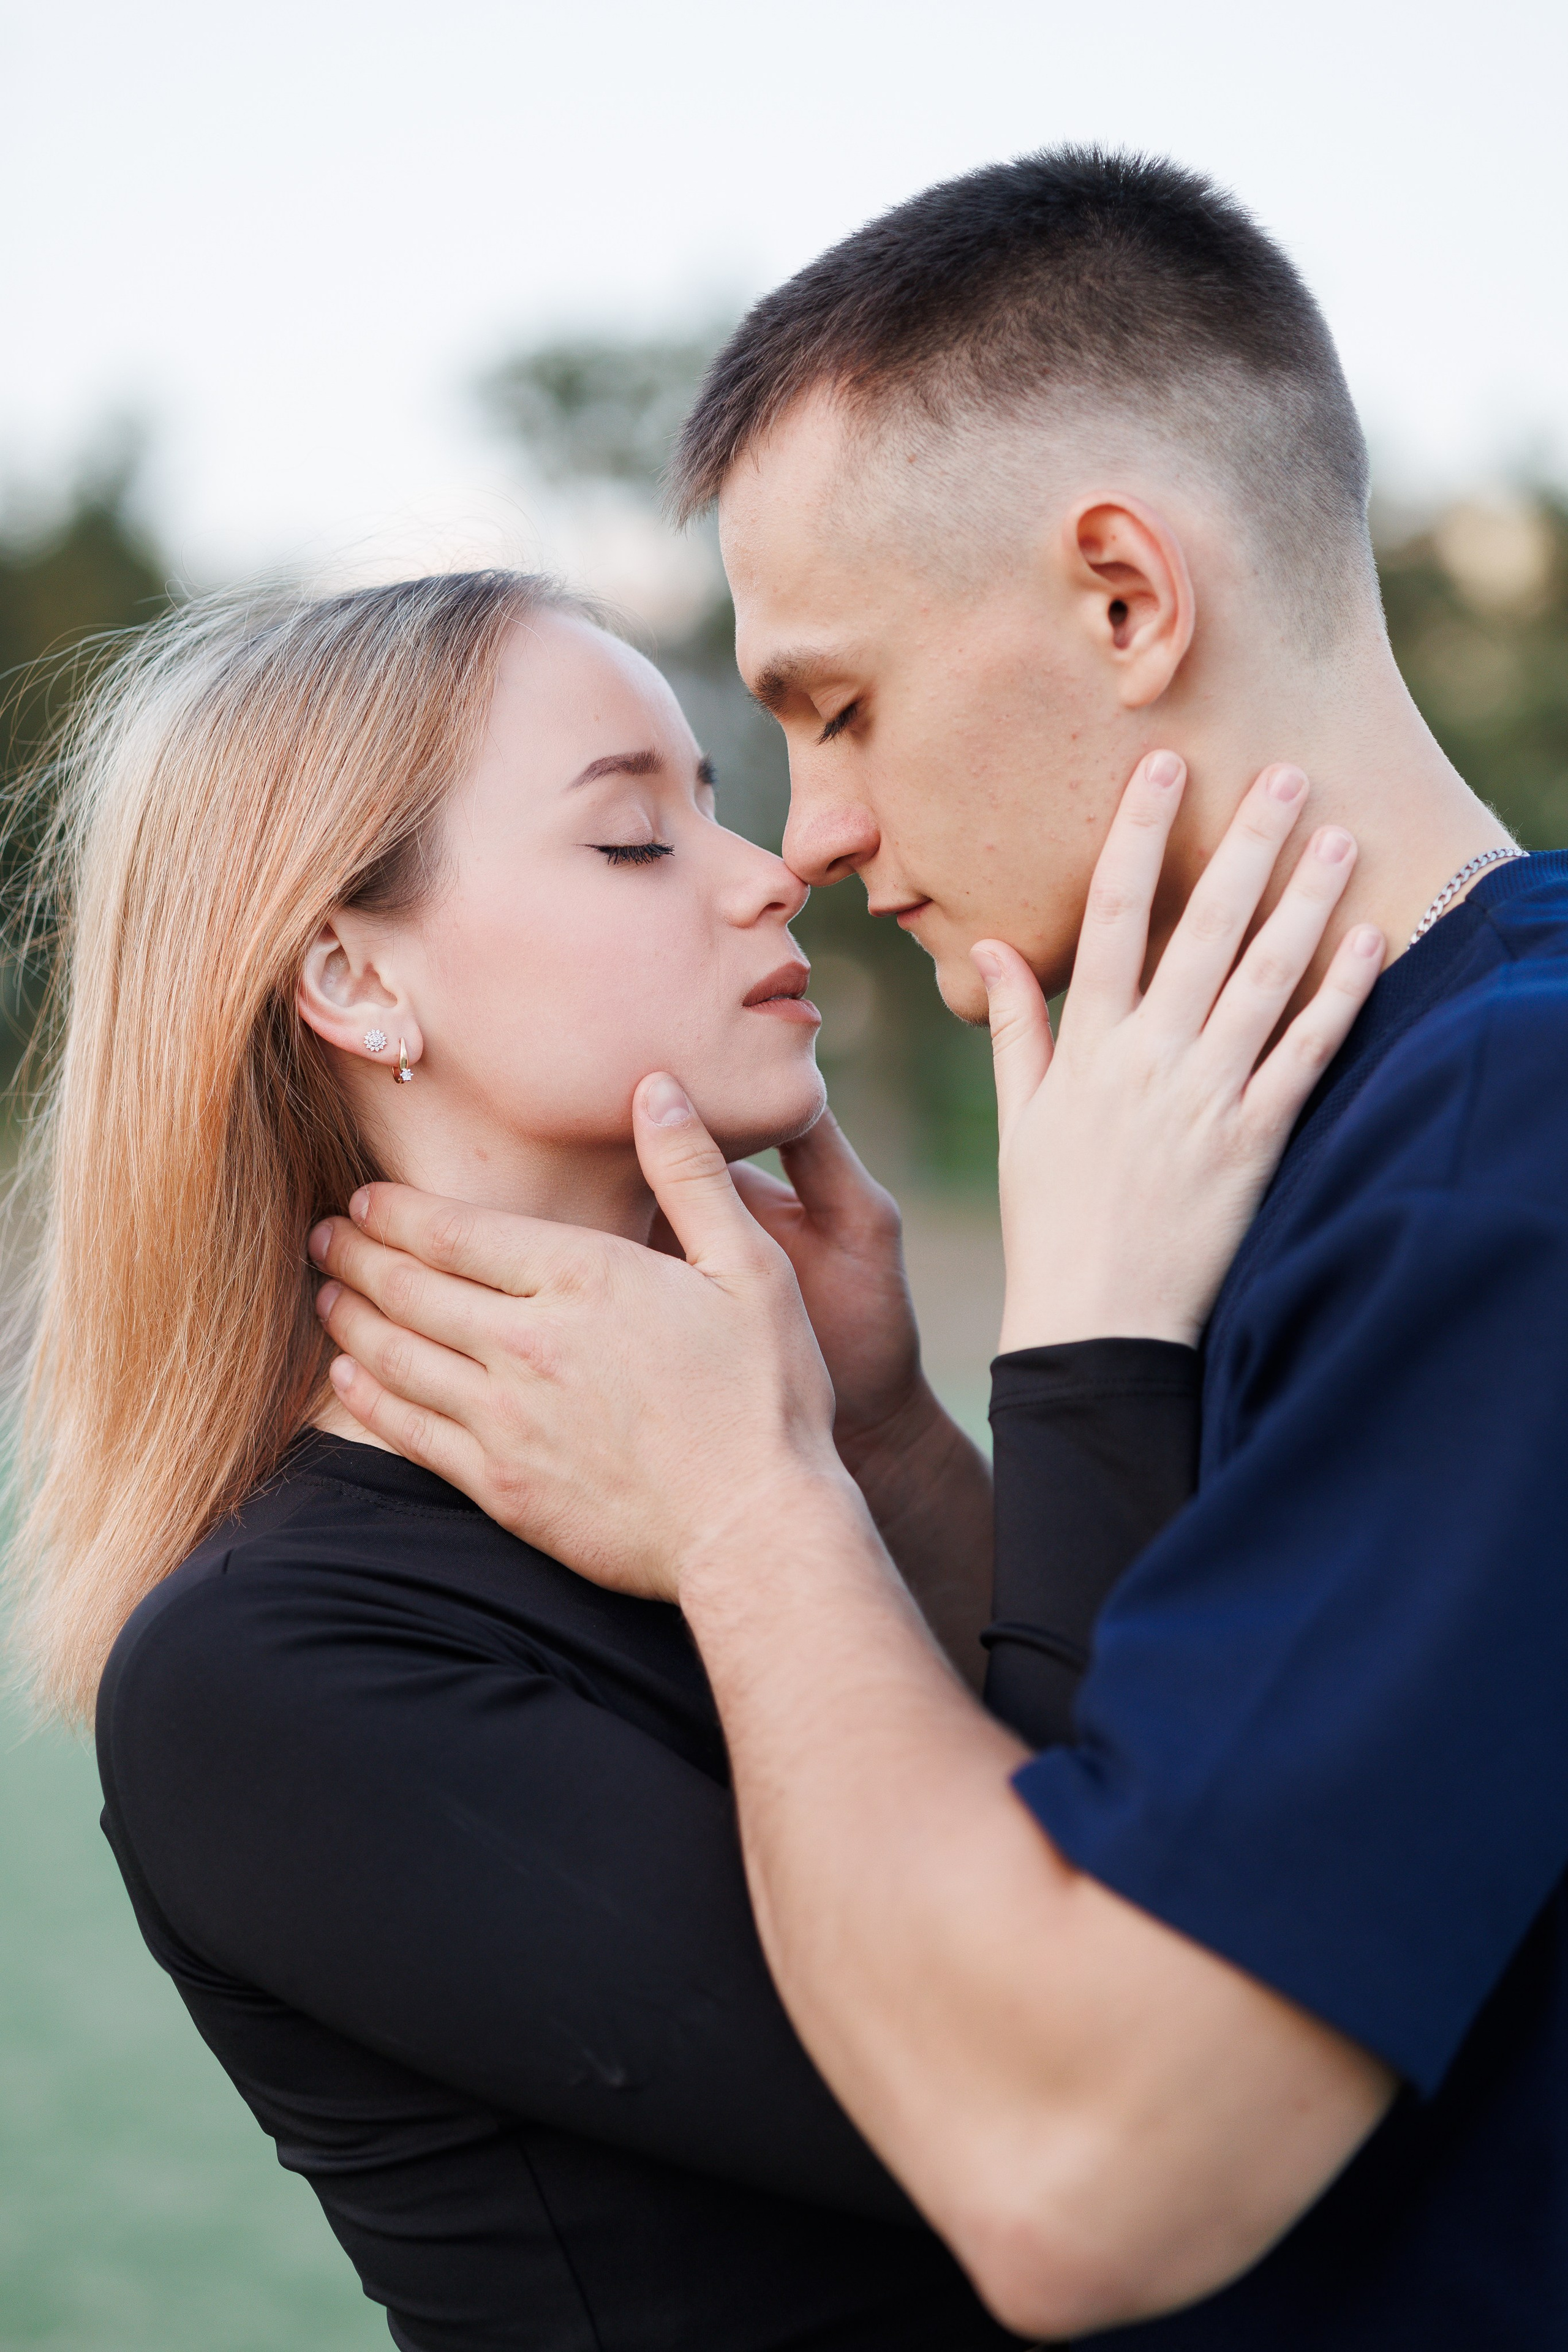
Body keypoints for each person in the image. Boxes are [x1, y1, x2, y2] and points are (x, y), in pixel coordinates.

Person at [307, 151, 1568, 2348]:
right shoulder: (1357, 1122)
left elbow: (1092, 2179)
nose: (810, 839)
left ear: (1125, 600)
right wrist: (895, 1447)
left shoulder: (1507, 1144)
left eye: (837, 707)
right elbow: (1198, 1776)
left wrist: (744, 1505)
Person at [7, 568, 1362, 2350]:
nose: (768, 871)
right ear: (352, 973)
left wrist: (883, 1441)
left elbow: (1082, 1801)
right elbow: (1082, 2101)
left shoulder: (769, 1444)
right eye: (634, 839)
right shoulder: (266, 1673)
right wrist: (1088, 1338)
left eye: (712, 806)